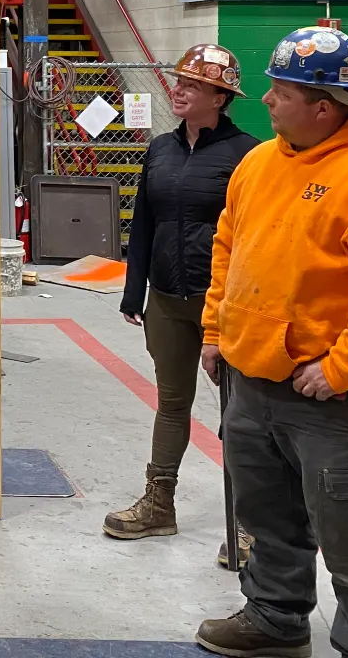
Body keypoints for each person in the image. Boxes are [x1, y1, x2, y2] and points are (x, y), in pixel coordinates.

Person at [195, 26, 348, 658]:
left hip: (332, 400)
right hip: (251, 384)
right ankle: (275, 618)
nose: (267, 102)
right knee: (268, 519)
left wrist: (343, 367)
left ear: (324, 106)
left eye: (279, 92)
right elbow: (230, 249)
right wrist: (217, 332)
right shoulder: (260, 163)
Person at [105, 44, 257, 563]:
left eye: (191, 85)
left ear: (220, 97)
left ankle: (248, 526)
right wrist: (134, 288)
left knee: (239, 415)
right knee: (172, 404)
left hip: (227, 304)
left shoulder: (249, 156)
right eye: (179, 82)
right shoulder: (161, 150)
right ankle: (159, 503)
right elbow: (143, 222)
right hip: (167, 300)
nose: (179, 90)